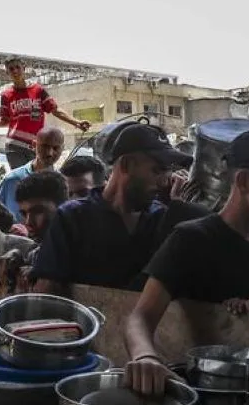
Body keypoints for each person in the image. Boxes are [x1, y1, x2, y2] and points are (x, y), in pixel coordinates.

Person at [124, 128, 249, 394]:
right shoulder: (192, 239)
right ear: (244, 181)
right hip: (201, 390)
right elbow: (140, 317)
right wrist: (145, 357)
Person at [30, 124, 205, 293]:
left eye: (168, 171)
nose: (164, 181)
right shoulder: (72, 217)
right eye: (157, 170)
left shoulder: (162, 219)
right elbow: (47, 292)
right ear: (127, 164)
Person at [0, 56, 91, 168]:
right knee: (21, 177)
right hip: (15, 146)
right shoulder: (6, 95)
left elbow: (55, 110)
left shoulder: (38, 90)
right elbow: (5, 122)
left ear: (24, 68)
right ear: (7, 72)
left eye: (18, 67)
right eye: (11, 69)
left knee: (44, 176)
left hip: (37, 146)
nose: (15, 71)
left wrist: (76, 122)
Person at [0, 127, 65, 223]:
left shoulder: (63, 184)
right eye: (45, 146)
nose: (50, 153)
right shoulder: (12, 180)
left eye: (55, 148)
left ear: (62, 148)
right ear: (34, 145)